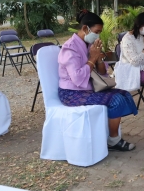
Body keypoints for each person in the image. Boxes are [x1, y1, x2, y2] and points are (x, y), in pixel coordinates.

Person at [58, 10, 138, 151]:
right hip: (71, 93)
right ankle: (113, 140)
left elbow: (102, 73)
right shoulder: (70, 48)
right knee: (116, 100)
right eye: (97, 31)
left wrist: (99, 58)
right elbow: (77, 78)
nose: (98, 35)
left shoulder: (89, 45)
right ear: (85, 29)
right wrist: (92, 59)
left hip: (88, 88)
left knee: (124, 94)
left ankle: (107, 135)